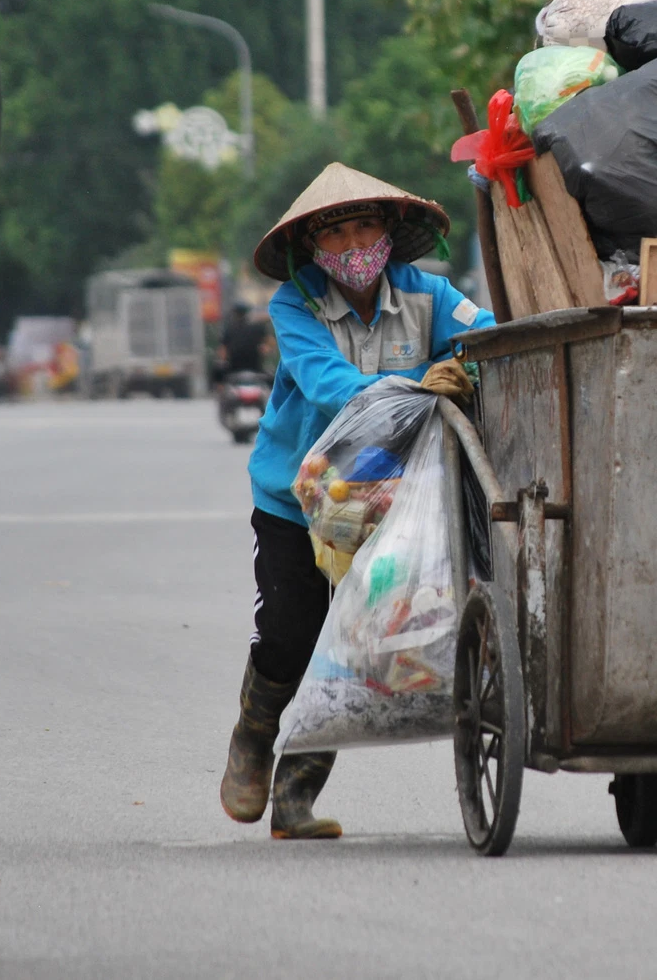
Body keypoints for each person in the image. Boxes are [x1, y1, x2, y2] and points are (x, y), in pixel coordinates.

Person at [219, 164, 492, 839]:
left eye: (364, 225)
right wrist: (420, 381)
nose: (352, 243)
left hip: (391, 502)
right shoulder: (297, 305)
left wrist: (472, 367)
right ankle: (253, 734)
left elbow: (485, 335)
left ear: (390, 232)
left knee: (350, 643)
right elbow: (329, 384)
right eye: (334, 232)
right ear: (313, 247)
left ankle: (296, 794)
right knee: (289, 633)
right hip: (298, 497)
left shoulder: (427, 294)